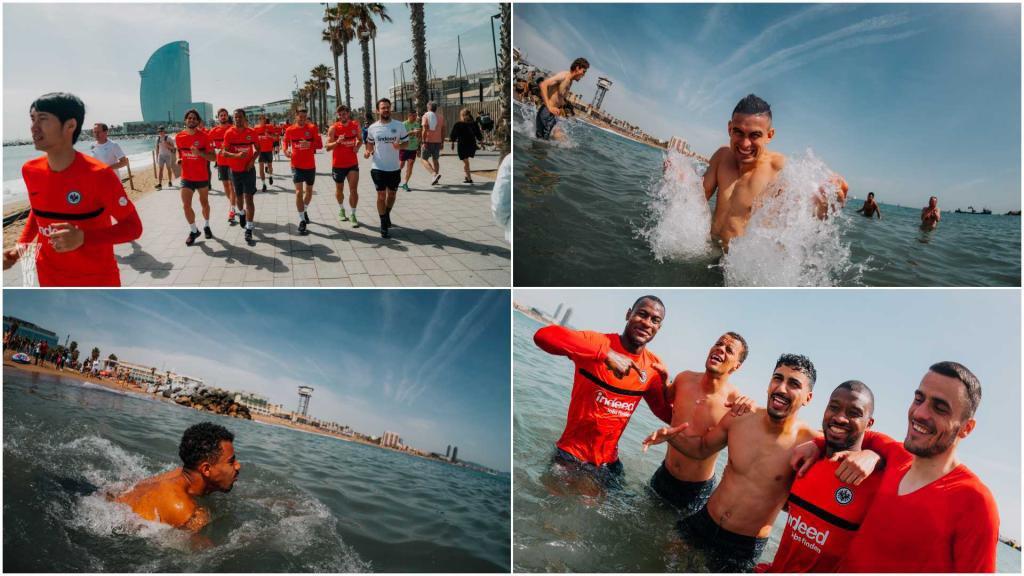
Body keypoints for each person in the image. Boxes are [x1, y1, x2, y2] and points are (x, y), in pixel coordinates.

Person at [643, 354, 827, 572]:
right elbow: (702, 449)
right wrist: (671, 436)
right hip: (704, 521)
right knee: (657, 564)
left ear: (808, 397)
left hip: (743, 545)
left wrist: (867, 455)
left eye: (793, 384)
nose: (781, 388)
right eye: (777, 378)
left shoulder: (811, 444)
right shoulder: (741, 417)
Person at [809, 362, 997, 572]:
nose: (920, 413)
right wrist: (815, 444)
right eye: (919, 399)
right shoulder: (897, 456)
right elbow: (859, 434)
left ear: (966, 428)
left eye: (940, 408)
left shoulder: (976, 502)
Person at [3, 92, 142, 286]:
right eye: (32, 119)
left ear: (70, 125)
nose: (33, 128)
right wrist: (20, 249)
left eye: (43, 119)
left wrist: (83, 238)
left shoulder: (99, 175)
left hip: (96, 280)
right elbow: (38, 211)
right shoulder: (30, 170)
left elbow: (133, 228)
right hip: (49, 278)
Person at [534, 296, 672, 487]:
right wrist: (606, 354)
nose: (647, 323)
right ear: (628, 314)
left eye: (654, 320)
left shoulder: (653, 367)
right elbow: (543, 336)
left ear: (659, 328)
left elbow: (667, 414)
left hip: (609, 464)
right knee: (550, 512)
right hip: (570, 455)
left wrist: (667, 384)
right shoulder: (596, 342)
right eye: (642, 314)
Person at [758, 381, 883, 572]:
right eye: (834, 408)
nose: (840, 418)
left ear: (869, 423)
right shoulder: (804, 460)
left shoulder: (877, 483)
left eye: (854, 413)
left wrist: (876, 454)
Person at [696, 94, 847, 252]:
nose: (745, 143)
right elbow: (698, 197)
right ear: (729, 129)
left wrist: (822, 209)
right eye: (738, 132)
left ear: (769, 135)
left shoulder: (780, 169)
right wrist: (681, 180)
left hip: (737, 265)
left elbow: (796, 222)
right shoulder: (722, 156)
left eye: (755, 135)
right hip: (709, 252)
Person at [648, 333, 753, 517]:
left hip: (696, 491)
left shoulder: (735, 404)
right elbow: (667, 399)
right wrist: (664, 381)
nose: (721, 348)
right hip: (664, 473)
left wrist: (750, 406)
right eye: (718, 343)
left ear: (737, 366)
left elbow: (757, 437)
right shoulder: (683, 379)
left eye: (729, 350)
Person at [113, 422, 240, 531]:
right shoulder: (188, 512)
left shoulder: (180, 474)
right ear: (206, 469)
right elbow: (200, 554)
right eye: (231, 462)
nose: (238, 466)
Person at [364, 98, 409, 239]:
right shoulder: (373, 128)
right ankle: (383, 222)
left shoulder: (399, 125)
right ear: (378, 110)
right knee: (381, 195)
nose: (386, 110)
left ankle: (387, 213)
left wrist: (399, 146)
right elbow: (370, 145)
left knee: (392, 195)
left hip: (394, 168)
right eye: (383, 108)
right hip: (378, 167)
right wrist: (367, 152)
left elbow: (406, 143)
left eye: (388, 107)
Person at [175, 109, 217, 246]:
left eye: (194, 118)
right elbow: (179, 151)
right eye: (189, 118)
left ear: (198, 121)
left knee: (204, 203)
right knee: (186, 206)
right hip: (186, 177)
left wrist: (199, 153)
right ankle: (194, 231)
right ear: (185, 120)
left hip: (201, 177)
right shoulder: (179, 137)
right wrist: (178, 158)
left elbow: (213, 157)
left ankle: (206, 225)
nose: (191, 120)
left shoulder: (205, 137)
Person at [283, 107, 323, 235]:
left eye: (304, 117)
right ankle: (301, 220)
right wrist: (285, 150)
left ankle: (304, 209)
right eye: (300, 117)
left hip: (310, 165)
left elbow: (320, 145)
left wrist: (310, 145)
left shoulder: (312, 128)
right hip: (296, 165)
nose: (302, 119)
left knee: (309, 192)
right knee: (299, 192)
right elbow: (285, 142)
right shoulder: (290, 130)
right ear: (296, 116)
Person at [221, 109, 259, 244]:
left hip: (249, 170)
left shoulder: (251, 133)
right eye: (235, 117)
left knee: (249, 198)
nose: (237, 119)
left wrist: (252, 160)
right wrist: (235, 156)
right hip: (235, 171)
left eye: (240, 117)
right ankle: (241, 213)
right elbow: (223, 152)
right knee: (239, 198)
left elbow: (258, 149)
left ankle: (249, 228)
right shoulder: (229, 133)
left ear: (244, 118)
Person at [325, 105, 361, 226]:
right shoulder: (333, 128)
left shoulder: (355, 125)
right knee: (339, 190)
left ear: (348, 114)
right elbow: (327, 147)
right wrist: (337, 142)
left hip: (352, 164)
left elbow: (360, 139)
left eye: (344, 114)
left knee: (353, 190)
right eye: (340, 115)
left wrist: (358, 146)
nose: (342, 116)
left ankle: (353, 214)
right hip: (338, 165)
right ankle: (341, 209)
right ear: (337, 115)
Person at [536, 57, 589, 140]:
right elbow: (543, 84)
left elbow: (558, 96)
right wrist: (549, 107)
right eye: (583, 71)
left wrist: (566, 106)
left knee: (558, 139)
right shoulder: (564, 76)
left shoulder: (570, 81)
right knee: (540, 146)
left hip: (552, 115)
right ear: (577, 68)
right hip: (546, 113)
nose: (583, 75)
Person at [207, 109, 237, 225]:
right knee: (225, 186)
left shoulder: (233, 129)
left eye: (225, 115)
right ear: (218, 117)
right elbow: (207, 143)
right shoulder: (214, 131)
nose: (223, 117)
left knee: (232, 186)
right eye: (221, 115)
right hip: (221, 163)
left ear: (227, 116)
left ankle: (232, 209)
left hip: (233, 162)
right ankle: (233, 204)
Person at [450, 109, 483, 184]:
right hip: (471, 145)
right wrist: (481, 143)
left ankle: (469, 178)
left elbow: (453, 135)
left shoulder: (458, 124)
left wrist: (452, 144)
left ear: (462, 115)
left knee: (466, 162)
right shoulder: (474, 124)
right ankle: (467, 177)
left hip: (462, 145)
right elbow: (478, 134)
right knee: (466, 161)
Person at [419, 101, 445, 186]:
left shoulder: (426, 116)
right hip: (437, 141)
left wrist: (423, 141)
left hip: (428, 141)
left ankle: (434, 174)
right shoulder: (441, 117)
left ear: (428, 108)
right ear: (435, 108)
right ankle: (435, 179)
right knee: (435, 160)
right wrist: (442, 142)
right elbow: (443, 130)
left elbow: (424, 130)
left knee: (423, 159)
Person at [253, 114, 276, 191]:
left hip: (269, 150)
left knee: (270, 167)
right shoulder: (256, 128)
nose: (263, 120)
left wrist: (269, 135)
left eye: (264, 119)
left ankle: (270, 176)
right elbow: (254, 139)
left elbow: (276, 137)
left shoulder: (270, 127)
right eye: (261, 119)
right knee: (261, 169)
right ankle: (264, 184)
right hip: (260, 151)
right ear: (259, 120)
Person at [399, 109, 421, 191]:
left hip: (413, 148)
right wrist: (411, 132)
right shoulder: (403, 124)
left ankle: (405, 183)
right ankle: (394, 180)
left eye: (416, 116)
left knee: (410, 165)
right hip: (404, 147)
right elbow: (401, 136)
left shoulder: (417, 124)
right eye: (414, 116)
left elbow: (419, 136)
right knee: (401, 165)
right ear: (409, 116)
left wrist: (418, 148)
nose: (415, 117)